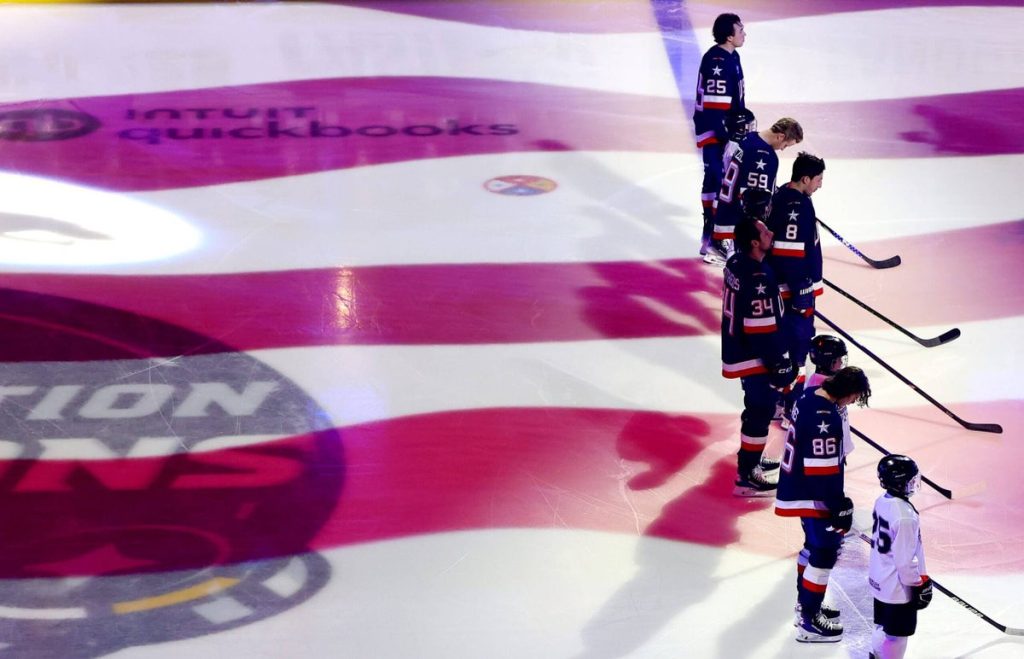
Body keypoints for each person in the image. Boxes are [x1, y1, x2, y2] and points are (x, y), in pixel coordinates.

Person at [775, 366, 871, 642]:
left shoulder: (809, 395)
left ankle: (807, 603)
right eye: (855, 396)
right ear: (847, 392)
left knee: (812, 548)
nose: (853, 402)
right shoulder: (825, 416)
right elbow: (822, 469)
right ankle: (809, 621)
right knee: (824, 553)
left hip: (799, 487)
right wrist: (837, 505)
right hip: (813, 496)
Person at [720, 189, 796, 496]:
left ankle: (749, 459)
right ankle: (747, 473)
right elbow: (761, 329)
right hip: (754, 357)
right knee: (760, 411)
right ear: (754, 242)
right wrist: (779, 363)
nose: (771, 233)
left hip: (739, 351)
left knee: (755, 409)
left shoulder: (735, 262)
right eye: (764, 232)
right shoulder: (759, 278)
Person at [767, 152, 826, 419]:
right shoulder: (797, 205)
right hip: (791, 291)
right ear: (805, 178)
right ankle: (791, 406)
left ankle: (781, 402)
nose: (820, 185)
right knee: (797, 348)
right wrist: (801, 290)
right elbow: (788, 252)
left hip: (786, 287)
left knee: (788, 347)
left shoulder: (784, 195)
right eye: (818, 179)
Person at [705, 118, 804, 265]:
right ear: (780, 136)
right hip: (736, 217)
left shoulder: (750, 138)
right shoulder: (765, 155)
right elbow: (755, 198)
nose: (783, 149)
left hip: (725, 206)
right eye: (786, 145)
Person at [694, 13, 748, 259]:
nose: (744, 34)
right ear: (729, 36)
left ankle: (714, 237)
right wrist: (729, 138)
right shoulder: (718, 60)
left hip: (725, 131)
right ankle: (713, 239)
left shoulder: (732, 56)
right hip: (717, 132)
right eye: (740, 30)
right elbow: (715, 107)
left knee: (720, 181)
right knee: (718, 181)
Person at [869, 455, 931, 659]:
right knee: (897, 636)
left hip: (879, 579)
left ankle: (876, 655)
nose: (913, 484)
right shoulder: (905, 516)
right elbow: (904, 562)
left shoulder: (881, 501)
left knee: (882, 625)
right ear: (899, 482)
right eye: (910, 480)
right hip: (898, 587)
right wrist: (918, 583)